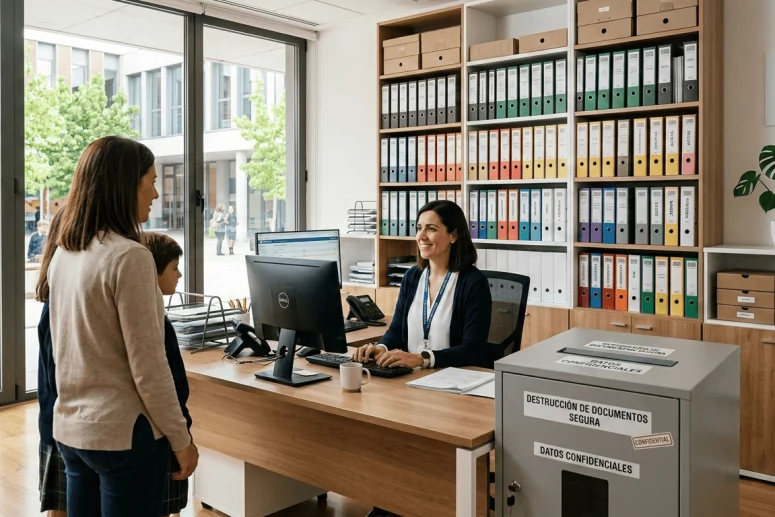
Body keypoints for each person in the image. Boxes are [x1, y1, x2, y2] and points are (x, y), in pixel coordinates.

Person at [35, 136, 198, 517]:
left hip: (74, 435)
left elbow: (64, 353)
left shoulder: (64, 254)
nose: (156, 194)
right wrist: (181, 438)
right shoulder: (130, 257)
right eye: (150, 182)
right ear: (126, 185)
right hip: (125, 438)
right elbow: (150, 368)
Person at [352, 200, 493, 517]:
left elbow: (474, 349)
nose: (422, 236)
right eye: (419, 228)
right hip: (409, 388)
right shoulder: (412, 278)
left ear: (453, 236)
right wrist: (382, 348)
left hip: (454, 394)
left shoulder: (473, 283)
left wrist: (423, 359)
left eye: (432, 228)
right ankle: (392, 502)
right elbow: (397, 331)